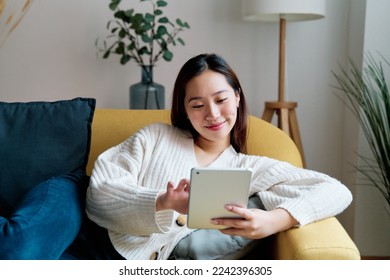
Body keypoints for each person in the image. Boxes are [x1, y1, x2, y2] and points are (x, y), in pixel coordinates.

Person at [83, 53, 352, 260]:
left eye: (221, 100)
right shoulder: (155, 136)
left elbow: (335, 190)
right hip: (92, 235)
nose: (212, 114)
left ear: (237, 97)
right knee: (60, 190)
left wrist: (274, 220)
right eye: (198, 105)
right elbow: (99, 194)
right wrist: (162, 201)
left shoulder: (249, 167)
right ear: (185, 110)